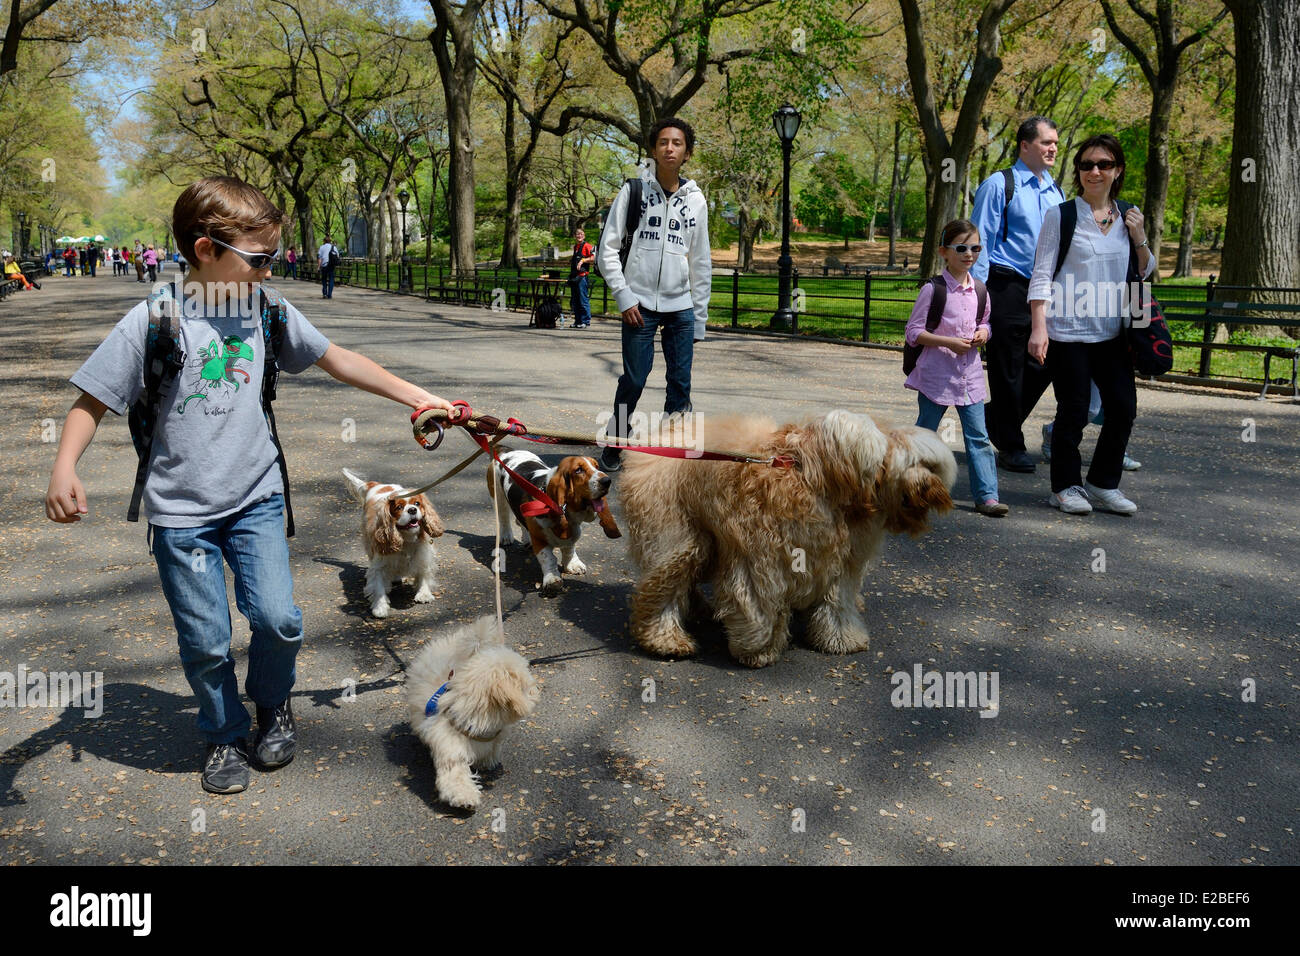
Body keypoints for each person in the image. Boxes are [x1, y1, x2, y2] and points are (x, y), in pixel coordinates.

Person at [44, 176, 454, 795]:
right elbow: (92, 399)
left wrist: (419, 397)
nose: (270, 269)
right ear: (206, 249)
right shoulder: (153, 319)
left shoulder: (267, 309)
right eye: (258, 259)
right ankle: (222, 732)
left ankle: (272, 703)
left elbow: (335, 357)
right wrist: (64, 466)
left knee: (280, 619)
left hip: (257, 496)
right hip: (180, 513)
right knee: (206, 640)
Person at [1028, 134, 1154, 516]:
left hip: (1114, 333)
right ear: (1079, 171)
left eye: (1103, 164)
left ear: (1117, 170)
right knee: (1075, 410)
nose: (1094, 171)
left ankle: (1102, 482)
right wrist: (1039, 327)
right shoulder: (1062, 215)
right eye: (1086, 165)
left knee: (1123, 409)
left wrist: (1140, 236)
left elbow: (1145, 272)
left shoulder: (1130, 214)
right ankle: (1065, 487)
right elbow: (1042, 274)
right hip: (1068, 331)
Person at [596, 116, 711, 473]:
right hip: (639, 304)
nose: (670, 148)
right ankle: (616, 439)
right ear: (653, 150)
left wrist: (699, 318)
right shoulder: (633, 191)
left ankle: (672, 450)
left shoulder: (696, 201)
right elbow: (607, 251)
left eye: (677, 143)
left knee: (680, 382)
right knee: (634, 377)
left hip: (681, 307)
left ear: (687, 152)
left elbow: (701, 261)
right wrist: (624, 296)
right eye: (663, 142)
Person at [971, 115, 1066, 474]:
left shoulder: (1055, 191)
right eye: (1046, 142)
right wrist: (976, 302)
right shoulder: (999, 185)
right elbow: (980, 242)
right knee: (1008, 368)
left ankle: (995, 419)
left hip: (1044, 290)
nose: (1053, 148)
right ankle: (1011, 444)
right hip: (1006, 285)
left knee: (1047, 361)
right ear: (1025, 146)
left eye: (1055, 142)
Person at [904, 220, 1004, 517]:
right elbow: (913, 332)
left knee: (979, 438)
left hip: (969, 377)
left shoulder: (981, 290)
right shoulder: (932, 290)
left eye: (975, 248)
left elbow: (984, 321)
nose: (969, 253)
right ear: (944, 252)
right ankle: (908, 491)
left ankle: (987, 496)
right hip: (936, 377)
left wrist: (984, 333)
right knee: (925, 436)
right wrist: (947, 341)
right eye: (961, 248)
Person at [567, 228, 595, 328]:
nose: (579, 236)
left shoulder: (587, 246)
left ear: (584, 236)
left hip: (582, 277)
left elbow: (593, 258)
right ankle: (577, 321)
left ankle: (585, 321)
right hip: (574, 277)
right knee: (575, 300)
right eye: (577, 234)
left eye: (581, 234)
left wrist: (583, 260)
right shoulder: (576, 247)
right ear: (575, 236)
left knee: (583, 299)